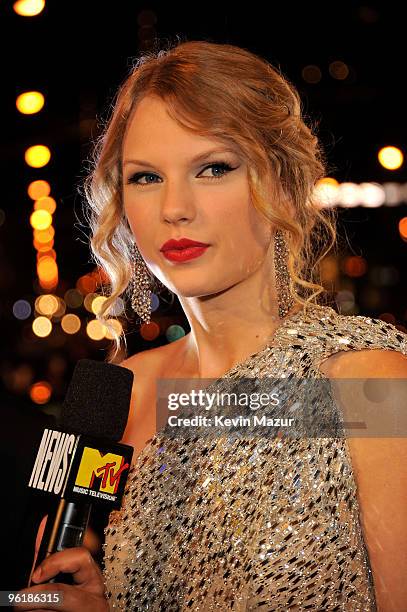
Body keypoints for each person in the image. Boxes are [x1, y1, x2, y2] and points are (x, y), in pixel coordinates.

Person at [19, 39, 407, 611]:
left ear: (281, 184)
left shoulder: (367, 387)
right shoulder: (125, 390)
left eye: (214, 168)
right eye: (146, 177)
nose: (175, 207)